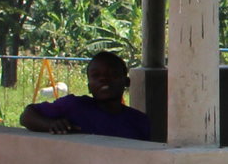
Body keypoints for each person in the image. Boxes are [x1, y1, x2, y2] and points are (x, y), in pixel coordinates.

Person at [20, 51, 153, 141]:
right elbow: (27, 116)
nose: (103, 79)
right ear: (89, 86)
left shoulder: (139, 121)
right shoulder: (74, 106)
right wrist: (50, 125)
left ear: (126, 82)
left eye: (112, 74)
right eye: (96, 76)